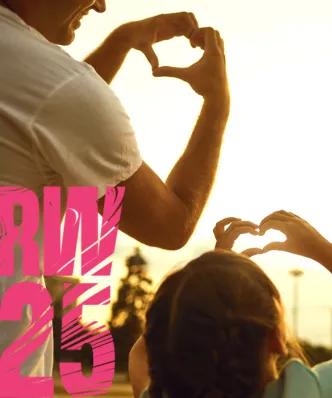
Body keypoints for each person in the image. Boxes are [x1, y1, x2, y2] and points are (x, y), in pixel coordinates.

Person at [0, 0, 230, 378]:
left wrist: (122, 41)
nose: (102, 5)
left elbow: (45, 112)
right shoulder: (63, 90)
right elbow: (171, 224)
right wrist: (217, 104)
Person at [128, 212, 332, 398]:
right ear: (276, 339)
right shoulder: (306, 394)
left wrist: (206, 275)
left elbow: (142, 352)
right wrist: (322, 250)